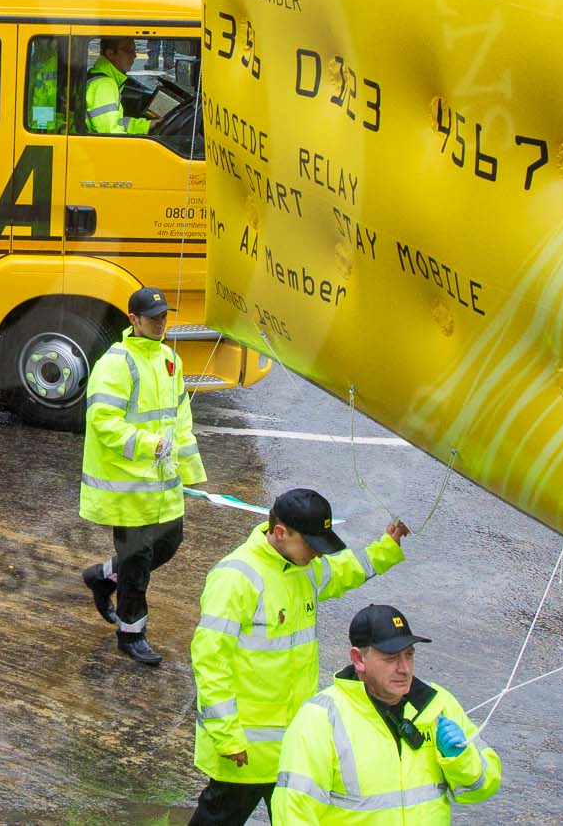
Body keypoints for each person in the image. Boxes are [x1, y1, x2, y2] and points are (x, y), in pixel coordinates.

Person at [189, 492, 411, 825]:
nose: (317, 553)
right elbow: (210, 661)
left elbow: (343, 571)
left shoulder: (302, 567)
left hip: (295, 746)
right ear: (281, 533)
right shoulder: (236, 578)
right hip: (244, 751)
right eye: (311, 544)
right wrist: (226, 736)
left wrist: (386, 549)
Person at [264, 604, 500, 826]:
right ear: (358, 659)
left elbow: (482, 789)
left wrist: (461, 759)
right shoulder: (320, 720)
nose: (404, 668)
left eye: (409, 655)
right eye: (391, 658)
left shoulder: (438, 704)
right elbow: (293, 813)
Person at [78, 285, 206, 665]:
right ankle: (131, 634)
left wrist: (190, 467)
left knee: (169, 543)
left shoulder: (170, 359)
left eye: (164, 317)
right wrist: (150, 445)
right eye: (152, 318)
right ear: (133, 320)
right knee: (138, 562)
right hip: (127, 484)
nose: (160, 323)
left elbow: (180, 417)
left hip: (162, 484)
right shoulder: (116, 362)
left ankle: (102, 576)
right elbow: (103, 421)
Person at [83, 36, 155, 135]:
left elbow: (117, 123)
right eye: (128, 51)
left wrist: (147, 125)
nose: (134, 55)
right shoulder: (104, 85)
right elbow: (111, 134)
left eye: (134, 50)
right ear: (110, 54)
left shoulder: (104, 78)